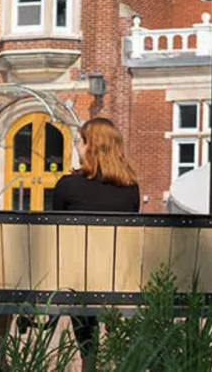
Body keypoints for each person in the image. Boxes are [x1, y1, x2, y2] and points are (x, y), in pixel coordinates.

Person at [52, 117, 140, 372]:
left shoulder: (68, 186)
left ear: (92, 147)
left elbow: (56, 233)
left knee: (80, 274)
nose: (78, 147)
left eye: (81, 141)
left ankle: (88, 364)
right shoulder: (131, 188)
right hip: (118, 278)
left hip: (78, 279)